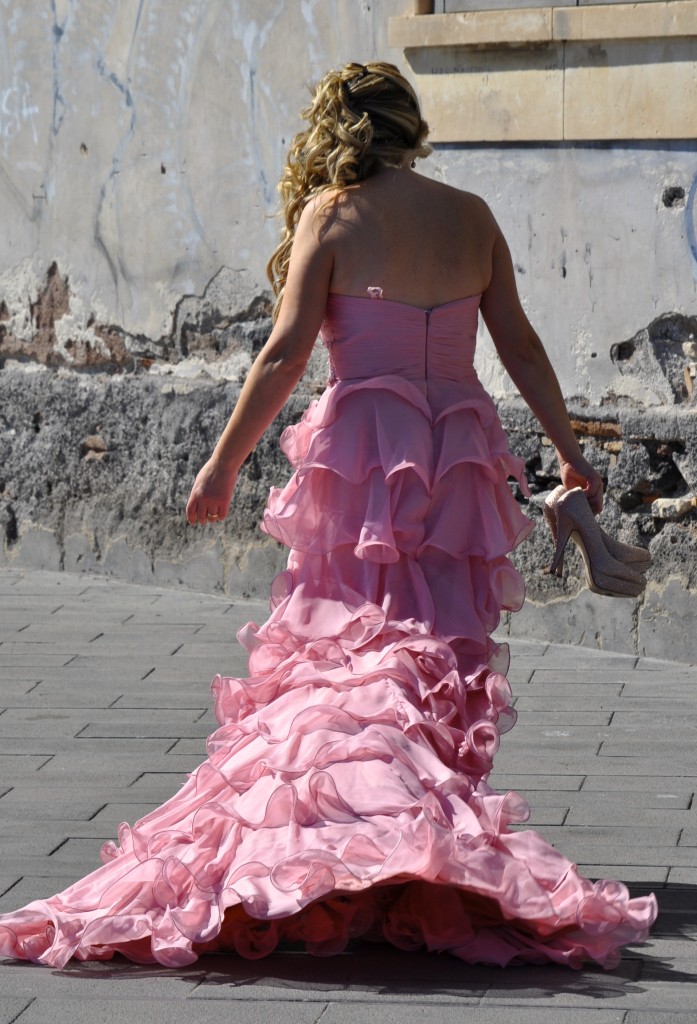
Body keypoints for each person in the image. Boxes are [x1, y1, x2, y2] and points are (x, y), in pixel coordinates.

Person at [0, 61, 655, 970]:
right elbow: (522, 344)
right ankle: (406, 841)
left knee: (356, 644)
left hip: (363, 448)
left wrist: (222, 460)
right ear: (408, 125)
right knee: (429, 641)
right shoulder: (471, 215)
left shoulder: (334, 214)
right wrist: (571, 451)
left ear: (334, 130)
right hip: (457, 445)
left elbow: (282, 354)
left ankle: (362, 837)